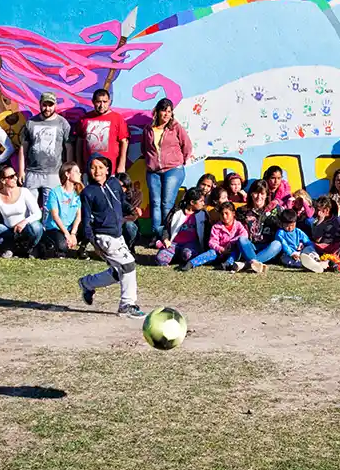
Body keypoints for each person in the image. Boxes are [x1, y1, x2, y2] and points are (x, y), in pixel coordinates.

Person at [77, 155, 143, 316]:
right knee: (128, 265)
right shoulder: (88, 193)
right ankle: (127, 305)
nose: (97, 171)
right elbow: (86, 222)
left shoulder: (114, 183)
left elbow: (121, 202)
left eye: (101, 167)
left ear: (108, 169)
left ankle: (87, 283)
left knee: (118, 272)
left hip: (117, 234)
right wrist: (93, 243)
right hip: (103, 237)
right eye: (93, 167)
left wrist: (132, 210)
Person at [143, 97, 193, 244]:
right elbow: (144, 148)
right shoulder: (148, 129)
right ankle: (156, 235)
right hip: (153, 171)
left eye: (169, 111)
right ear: (157, 111)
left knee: (167, 203)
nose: (166, 114)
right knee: (155, 202)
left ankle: (167, 234)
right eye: (164, 110)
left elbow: (187, 145)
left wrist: (180, 161)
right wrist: (150, 161)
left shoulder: (175, 127)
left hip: (173, 169)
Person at [18, 92, 71, 214]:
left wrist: (67, 170)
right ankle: (31, 232)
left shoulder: (62, 123)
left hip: (54, 173)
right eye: (44, 105)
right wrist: (21, 170)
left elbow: (69, 147)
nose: (47, 108)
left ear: (55, 105)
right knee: (29, 208)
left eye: (50, 105)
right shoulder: (31, 123)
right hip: (32, 172)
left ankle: (48, 232)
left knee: (51, 209)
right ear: (40, 104)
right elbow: (23, 148)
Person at [0, 165, 44, 258]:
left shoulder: (24, 192)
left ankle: (31, 248)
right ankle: (9, 245)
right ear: (3, 180)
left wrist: (23, 222)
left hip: (24, 229)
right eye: (11, 176)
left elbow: (38, 213)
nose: (15, 178)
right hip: (8, 230)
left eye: (15, 175)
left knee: (36, 227)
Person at [183, 202, 268, 272]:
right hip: (219, 252)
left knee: (236, 251)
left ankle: (227, 264)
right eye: (222, 214)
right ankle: (192, 263)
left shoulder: (238, 225)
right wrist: (221, 249)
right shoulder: (216, 227)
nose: (224, 216)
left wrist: (231, 243)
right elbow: (212, 242)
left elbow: (244, 235)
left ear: (233, 213)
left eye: (227, 213)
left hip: (233, 251)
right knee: (210, 253)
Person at [76, 88, 130, 175]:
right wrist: (79, 164)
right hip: (90, 169)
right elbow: (79, 142)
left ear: (109, 102)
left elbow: (124, 142)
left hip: (110, 169)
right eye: (98, 102)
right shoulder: (85, 119)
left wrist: (122, 164)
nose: (101, 105)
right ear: (93, 102)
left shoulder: (117, 118)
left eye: (104, 102)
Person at [37, 162, 83, 259]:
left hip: (71, 228)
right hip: (56, 228)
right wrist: (67, 234)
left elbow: (78, 216)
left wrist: (73, 233)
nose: (80, 174)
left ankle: (81, 249)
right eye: (76, 171)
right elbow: (55, 216)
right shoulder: (55, 192)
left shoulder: (78, 193)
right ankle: (48, 243)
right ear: (67, 174)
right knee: (62, 246)